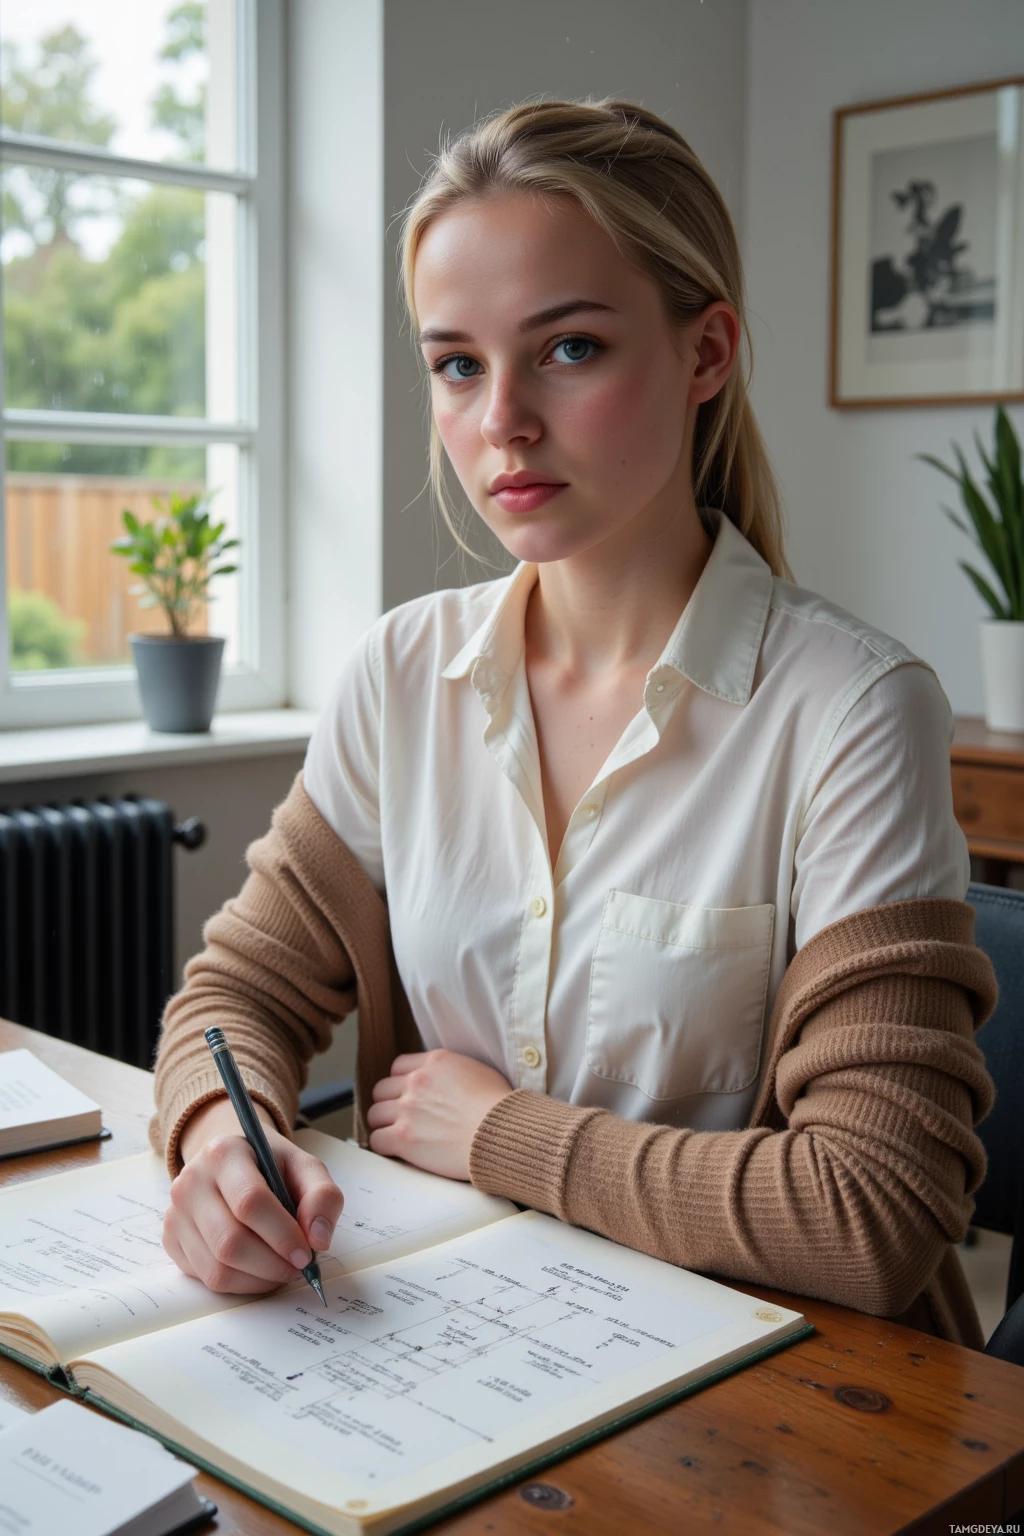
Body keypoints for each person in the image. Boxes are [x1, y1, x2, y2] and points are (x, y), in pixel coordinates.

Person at [151, 97, 996, 1344]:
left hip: (790, 1407)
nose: (499, 423)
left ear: (706, 354)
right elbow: (237, 993)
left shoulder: (852, 712)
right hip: (474, 1347)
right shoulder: (403, 673)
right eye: (456, 363)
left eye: (569, 349)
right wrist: (226, 1136)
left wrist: (498, 1136)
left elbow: (869, 1210)